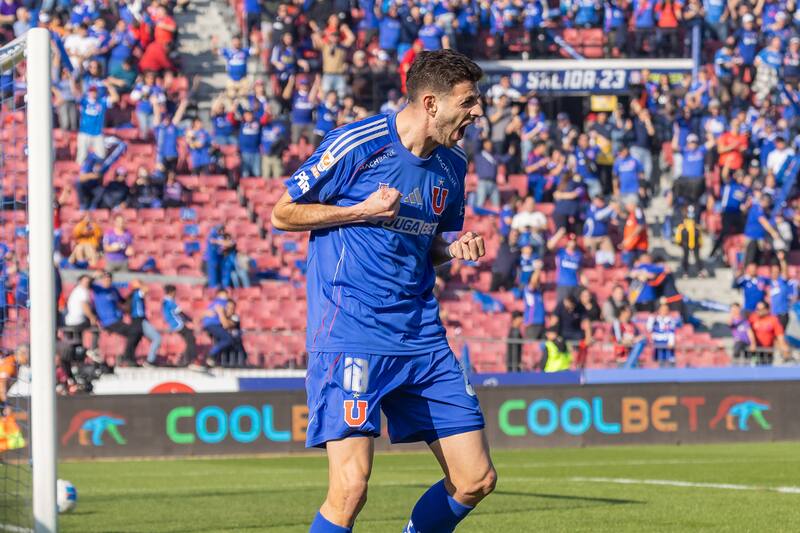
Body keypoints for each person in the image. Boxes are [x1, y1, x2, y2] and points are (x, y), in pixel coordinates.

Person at [270, 50, 495, 533]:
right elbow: (282, 213)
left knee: (475, 479)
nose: (478, 112)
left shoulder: (453, 164)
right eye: (469, 102)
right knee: (350, 489)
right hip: (351, 332)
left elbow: (425, 244)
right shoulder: (357, 143)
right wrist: (360, 211)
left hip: (421, 338)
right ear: (431, 103)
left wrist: (453, 249)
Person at [91, 272, 143, 367]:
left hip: (117, 320)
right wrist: (94, 276)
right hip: (107, 322)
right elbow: (88, 283)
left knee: (138, 332)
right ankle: (127, 358)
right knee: (134, 332)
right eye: (105, 278)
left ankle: (129, 357)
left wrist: (133, 293)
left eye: (109, 278)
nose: (107, 280)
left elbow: (122, 301)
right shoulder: (98, 289)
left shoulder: (113, 289)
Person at [162, 285, 199, 368]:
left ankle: (186, 359)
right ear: (171, 292)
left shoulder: (165, 302)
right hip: (177, 324)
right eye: (174, 292)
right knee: (191, 338)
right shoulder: (169, 302)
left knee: (189, 338)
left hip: (174, 325)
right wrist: (191, 320)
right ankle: (191, 360)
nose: (175, 294)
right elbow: (180, 313)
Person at [62, 275, 100, 355]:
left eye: (88, 282)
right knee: (96, 328)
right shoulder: (83, 291)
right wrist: (92, 317)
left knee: (78, 338)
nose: (87, 283)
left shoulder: (77, 290)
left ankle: (78, 353)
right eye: (85, 282)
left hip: (69, 321)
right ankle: (93, 349)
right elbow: (85, 306)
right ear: (80, 282)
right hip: (78, 321)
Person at [129, 280, 161, 367]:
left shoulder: (135, 294)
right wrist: (141, 284)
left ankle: (133, 359)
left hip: (139, 320)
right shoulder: (136, 294)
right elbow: (146, 289)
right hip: (139, 320)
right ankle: (150, 360)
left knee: (136, 341)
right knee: (157, 338)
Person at [201, 289, 235, 367]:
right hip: (213, 325)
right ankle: (211, 355)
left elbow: (226, 323)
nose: (226, 296)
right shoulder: (221, 303)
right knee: (227, 339)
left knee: (224, 340)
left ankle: (212, 359)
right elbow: (224, 319)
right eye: (224, 294)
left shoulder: (214, 303)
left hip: (210, 325)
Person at [749, 300, 790, 365]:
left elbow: (780, 336)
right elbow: (748, 330)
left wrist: (783, 346)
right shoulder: (753, 317)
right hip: (755, 350)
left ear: (767, 309)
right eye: (757, 309)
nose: (758, 311)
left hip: (768, 351)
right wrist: (752, 342)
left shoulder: (773, 319)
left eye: (761, 309)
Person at [674, 205, 706, 277]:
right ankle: (685, 271)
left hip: (695, 242)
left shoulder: (697, 226)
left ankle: (700, 271)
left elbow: (700, 236)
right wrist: (678, 242)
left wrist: (700, 242)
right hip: (685, 242)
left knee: (697, 257)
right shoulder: (682, 226)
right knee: (685, 257)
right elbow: (678, 235)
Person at [647, 300, 678, 367]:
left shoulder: (670, 320)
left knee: (668, 360)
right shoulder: (654, 319)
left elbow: (671, 332)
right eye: (662, 309)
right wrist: (651, 319)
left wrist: (671, 342)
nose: (664, 311)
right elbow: (649, 329)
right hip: (657, 343)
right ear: (659, 310)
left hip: (666, 343)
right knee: (657, 361)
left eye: (666, 310)